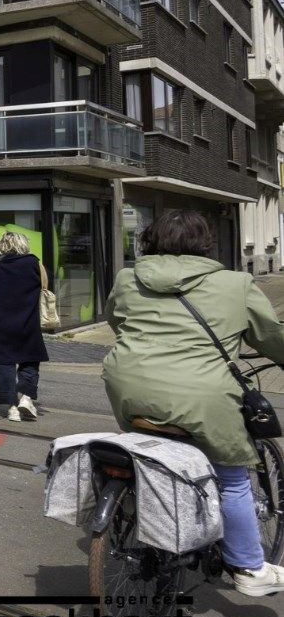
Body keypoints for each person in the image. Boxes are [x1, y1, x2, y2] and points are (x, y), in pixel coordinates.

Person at [103, 210, 284, 597]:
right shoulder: (236, 283)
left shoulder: (128, 278)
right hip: (203, 395)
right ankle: (249, 569)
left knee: (155, 453)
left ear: (150, 239)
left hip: (131, 387)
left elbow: (117, 322)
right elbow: (269, 336)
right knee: (233, 478)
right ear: (206, 242)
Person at [0, 231, 48, 422]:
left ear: (0, 244)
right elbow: (48, 286)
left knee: (3, 363)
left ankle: (12, 408)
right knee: (30, 359)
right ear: (23, 244)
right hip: (27, 321)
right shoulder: (33, 263)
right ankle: (26, 397)